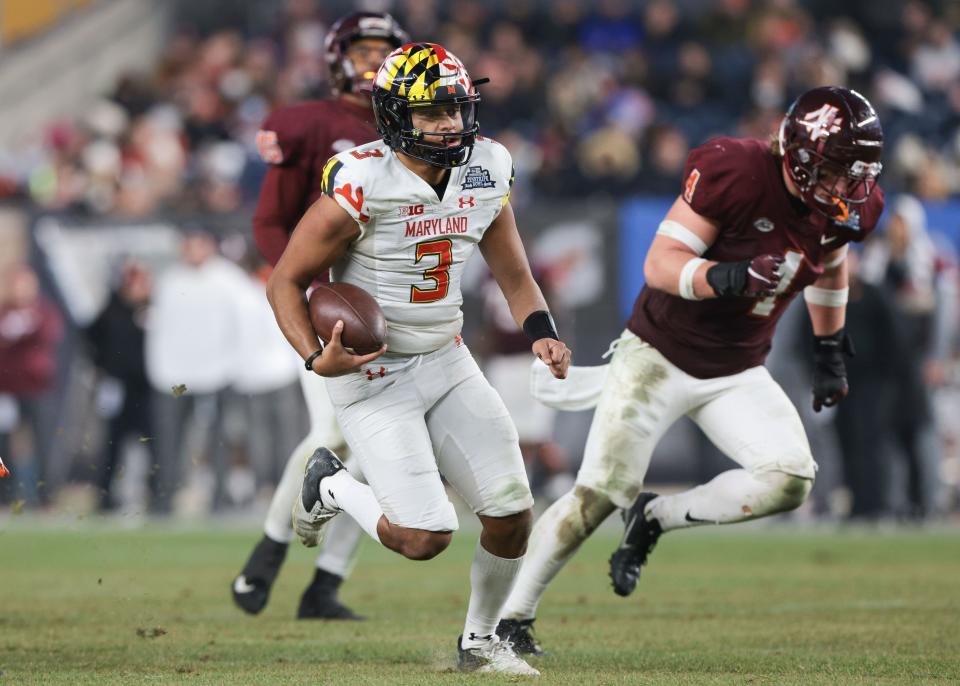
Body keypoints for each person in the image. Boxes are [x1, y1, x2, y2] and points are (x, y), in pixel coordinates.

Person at [496, 86, 887, 654]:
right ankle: (511, 617)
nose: (849, 190)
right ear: (800, 157)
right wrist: (724, 277)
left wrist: (829, 349)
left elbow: (829, 262)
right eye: (835, 173)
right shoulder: (738, 170)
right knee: (598, 493)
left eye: (857, 175)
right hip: (658, 354)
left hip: (736, 369)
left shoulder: (848, 208)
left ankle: (656, 516)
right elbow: (659, 265)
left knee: (790, 478)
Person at [268, 42, 570, 675]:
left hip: (446, 357)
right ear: (394, 115)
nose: (450, 125)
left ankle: (479, 645)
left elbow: (513, 272)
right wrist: (311, 357)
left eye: (456, 109)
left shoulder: (489, 165)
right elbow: (286, 280)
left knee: (513, 516)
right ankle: (329, 483)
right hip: (371, 372)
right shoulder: (362, 178)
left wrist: (542, 329)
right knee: (423, 538)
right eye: (433, 113)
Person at [232, 11, 409, 621]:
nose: (371, 62)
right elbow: (268, 220)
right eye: (362, 50)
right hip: (332, 305)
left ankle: (324, 585)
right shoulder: (305, 123)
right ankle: (270, 552)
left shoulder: (420, 129)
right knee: (332, 437)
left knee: (383, 455)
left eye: (382, 52)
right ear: (337, 58)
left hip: (401, 309)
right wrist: (304, 290)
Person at [84, 259, 154, 512]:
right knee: (113, 445)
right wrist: (103, 369)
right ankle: (104, 495)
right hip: (118, 388)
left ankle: (155, 493)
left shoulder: (153, 310)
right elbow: (91, 339)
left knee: (152, 443)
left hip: (147, 389)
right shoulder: (111, 311)